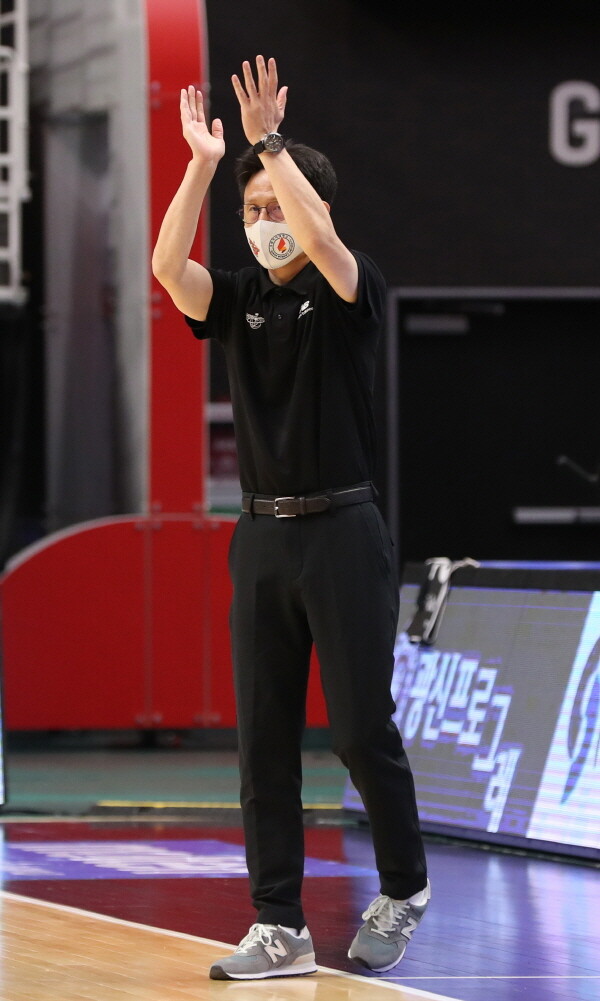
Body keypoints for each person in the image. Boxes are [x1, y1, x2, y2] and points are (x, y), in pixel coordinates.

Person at [152, 55, 429, 981]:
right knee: (263, 738)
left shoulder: (350, 287)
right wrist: (205, 164)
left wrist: (270, 144)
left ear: (315, 208)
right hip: (262, 536)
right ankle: (280, 924)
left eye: (277, 205)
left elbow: (326, 243)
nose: (263, 220)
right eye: (252, 209)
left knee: (357, 729)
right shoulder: (239, 298)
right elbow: (168, 267)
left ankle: (404, 887)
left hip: (343, 529)